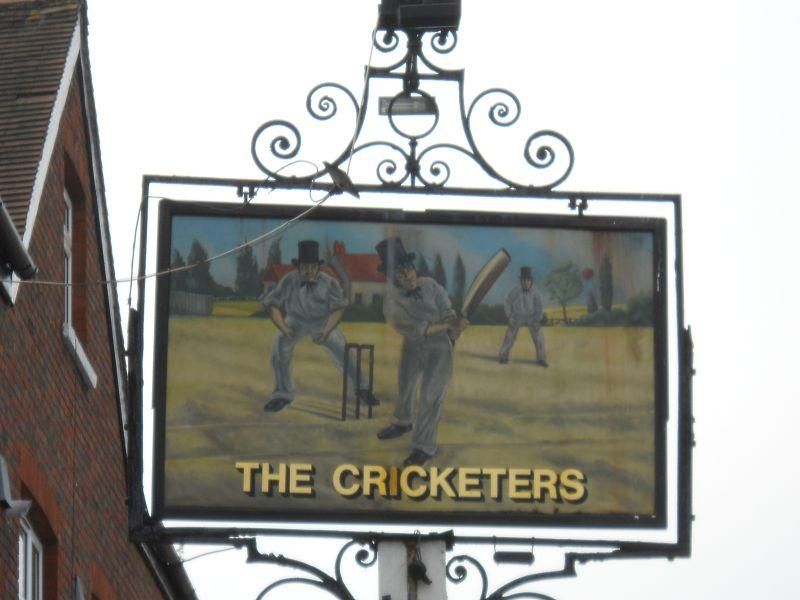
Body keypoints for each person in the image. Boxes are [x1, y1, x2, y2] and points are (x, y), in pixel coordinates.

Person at [374, 237, 468, 466]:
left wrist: (454, 327)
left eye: (409, 269)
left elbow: (447, 309)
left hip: (439, 348)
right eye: (401, 273)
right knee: (405, 385)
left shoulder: (430, 284)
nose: (408, 276)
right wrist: (447, 326)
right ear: (392, 278)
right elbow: (418, 330)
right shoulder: (392, 303)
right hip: (414, 342)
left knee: (430, 396)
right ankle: (402, 422)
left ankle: (424, 446)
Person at [262, 240, 377, 412]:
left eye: (313, 267)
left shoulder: (329, 282)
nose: (309, 271)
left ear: (318, 267)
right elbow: (272, 305)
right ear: (298, 267)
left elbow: (338, 309)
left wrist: (325, 332)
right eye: (305, 267)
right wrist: (284, 328)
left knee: (343, 350)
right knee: (279, 348)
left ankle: (362, 388)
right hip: (295, 319)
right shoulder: (288, 280)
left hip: (322, 320)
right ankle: (282, 394)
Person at [498, 266, 548, 367]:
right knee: (509, 335)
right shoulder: (515, 290)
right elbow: (507, 302)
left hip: (531, 317)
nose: (525, 282)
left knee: (539, 336)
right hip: (517, 316)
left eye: (527, 280)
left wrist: (537, 320)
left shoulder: (536, 292)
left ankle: (541, 359)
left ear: (531, 281)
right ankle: (503, 356)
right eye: (523, 280)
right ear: (521, 281)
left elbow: (540, 307)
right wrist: (510, 316)